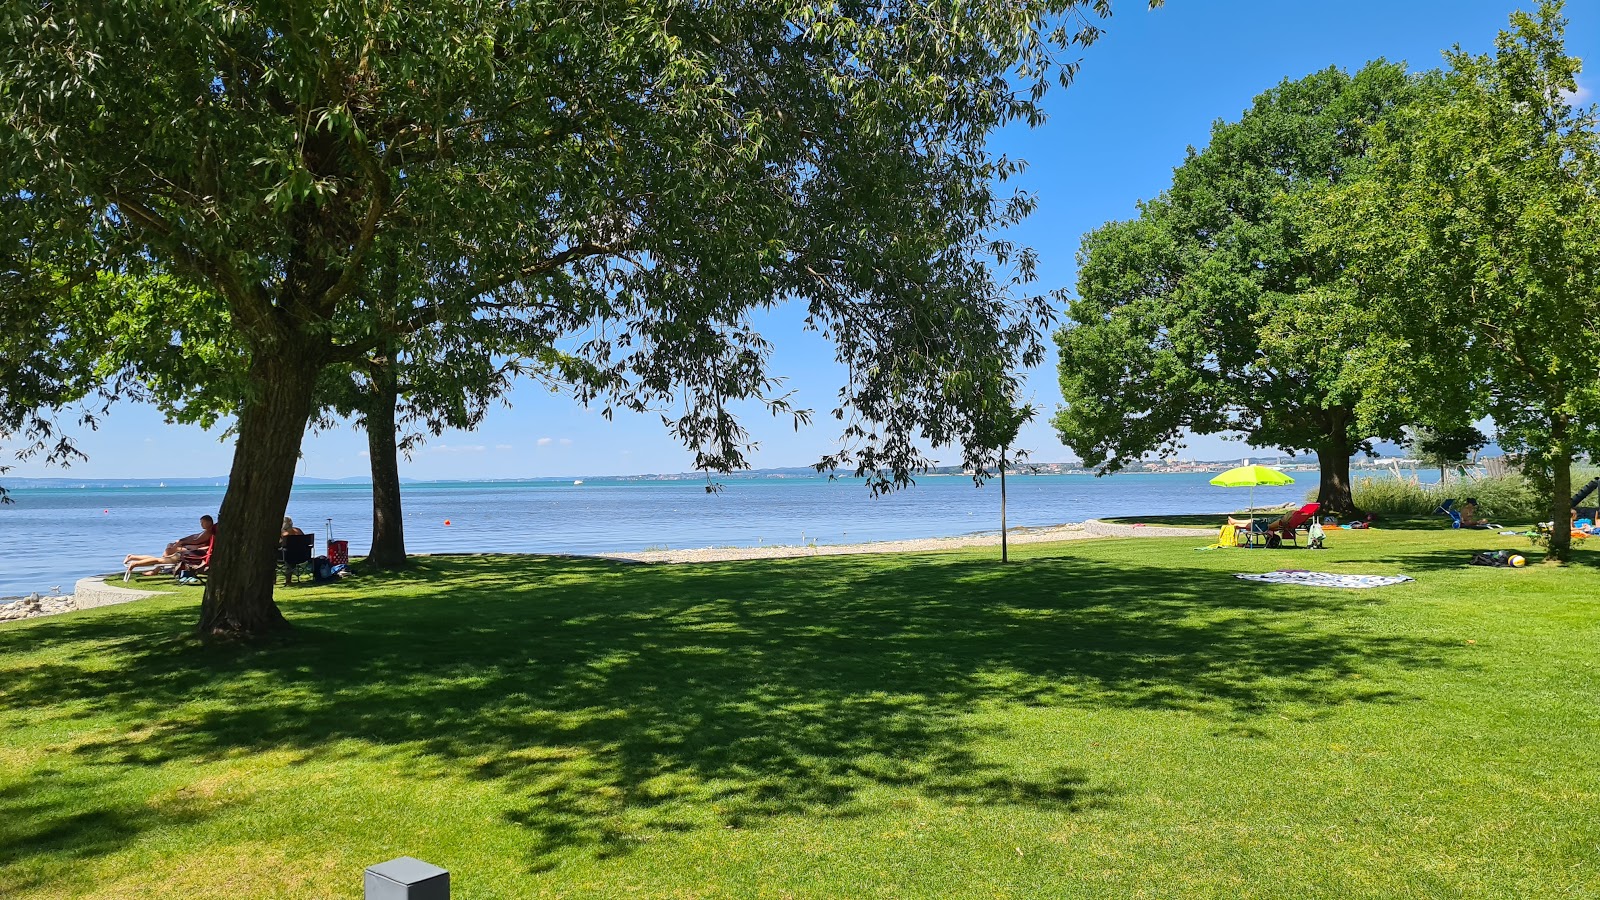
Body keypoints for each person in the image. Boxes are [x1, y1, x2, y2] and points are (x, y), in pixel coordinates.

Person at [123, 515, 216, 577]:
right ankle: (137, 560)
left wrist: (183, 543)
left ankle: (135, 562)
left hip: (189, 556)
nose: (201, 524)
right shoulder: (207, 532)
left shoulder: (208, 532)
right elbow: (195, 538)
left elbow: (197, 541)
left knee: (162, 559)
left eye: (202, 522)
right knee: (162, 558)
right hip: (191, 553)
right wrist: (182, 541)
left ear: (208, 522)